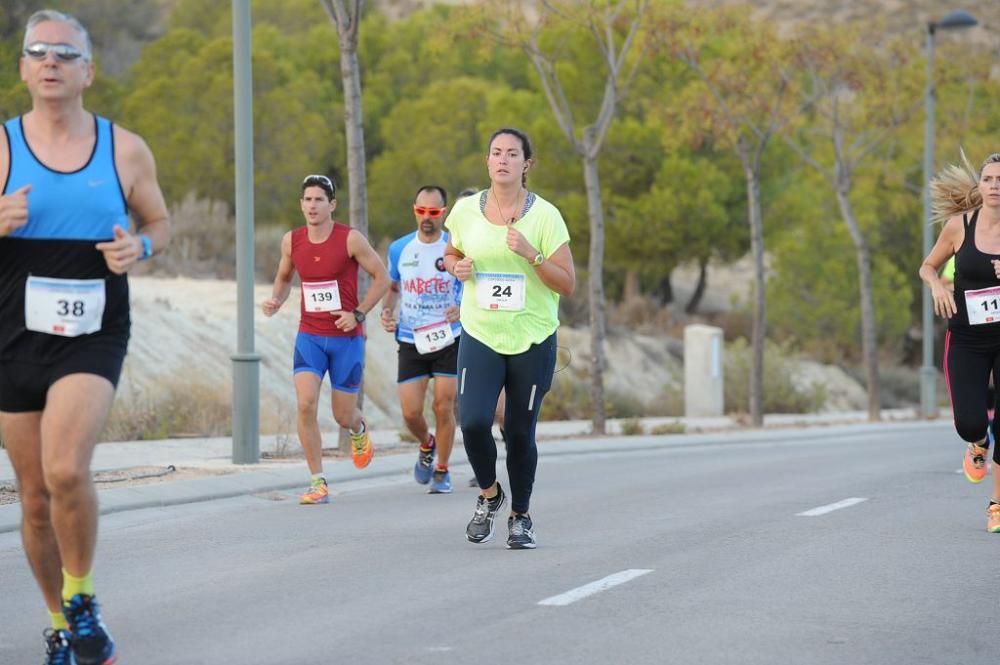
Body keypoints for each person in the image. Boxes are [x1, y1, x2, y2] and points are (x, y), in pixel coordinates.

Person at [0, 9, 170, 664]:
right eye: (37, 51)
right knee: (35, 495)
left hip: (93, 327)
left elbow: (159, 218)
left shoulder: (123, 147)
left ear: (88, 71)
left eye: (64, 54)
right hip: (13, 328)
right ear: (22, 68)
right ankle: (60, 624)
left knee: (66, 467)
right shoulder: (4, 146)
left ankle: (81, 599)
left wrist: (143, 244)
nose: (50, 61)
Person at [443, 128, 575, 549]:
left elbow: (567, 283)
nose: (503, 160)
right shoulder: (464, 212)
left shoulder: (546, 217)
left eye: (512, 154)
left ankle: (521, 516)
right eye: (496, 153)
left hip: (532, 336)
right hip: (481, 331)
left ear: (526, 164)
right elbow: (451, 253)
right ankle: (489, 495)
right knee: (475, 422)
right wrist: (455, 267)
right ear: (487, 162)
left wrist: (532, 255)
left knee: (519, 432)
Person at [262, 174, 390, 505]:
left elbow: (381, 278)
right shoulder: (292, 241)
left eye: (319, 199)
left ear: (332, 204)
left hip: (347, 339)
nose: (312, 206)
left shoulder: (351, 239)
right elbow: (283, 277)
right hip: (311, 336)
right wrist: (276, 299)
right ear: (301, 204)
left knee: (343, 416)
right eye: (307, 200)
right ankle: (317, 482)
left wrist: (358, 314)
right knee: (305, 404)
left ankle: (359, 430)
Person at [920, 151, 1000, 532]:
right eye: (989, 179)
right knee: (970, 423)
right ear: (979, 185)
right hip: (967, 336)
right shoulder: (958, 227)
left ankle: (996, 506)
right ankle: (977, 443)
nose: (995, 186)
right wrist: (936, 286)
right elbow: (927, 265)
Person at [381, 186, 462, 493]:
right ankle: (426, 444)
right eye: (421, 211)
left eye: (434, 212)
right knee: (411, 413)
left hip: (447, 337)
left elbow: (471, 283)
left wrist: (462, 307)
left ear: (444, 213)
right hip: (411, 338)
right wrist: (386, 312)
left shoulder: (455, 248)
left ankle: (442, 469)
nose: (427, 218)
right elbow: (393, 286)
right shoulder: (400, 248)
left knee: (444, 406)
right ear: (414, 209)